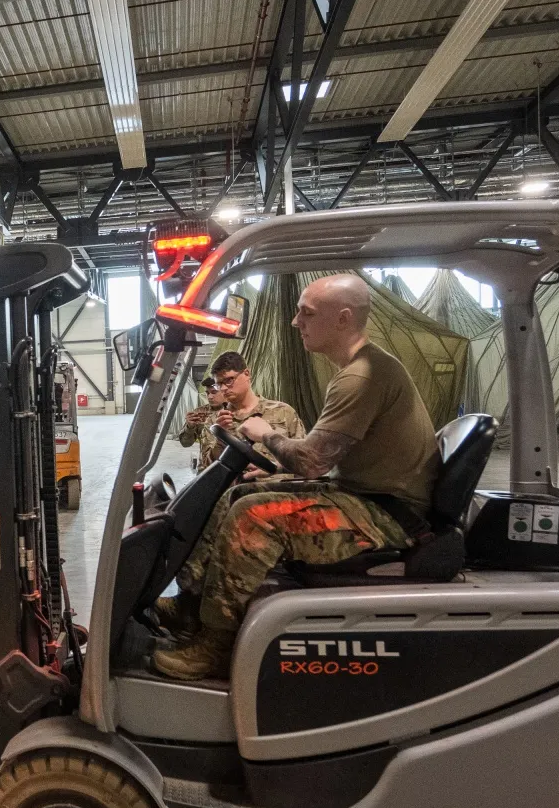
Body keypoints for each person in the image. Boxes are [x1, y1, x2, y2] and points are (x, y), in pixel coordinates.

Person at [154, 275, 440, 681]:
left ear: (343, 319)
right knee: (240, 492)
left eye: (306, 313)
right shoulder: (357, 369)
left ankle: (216, 645)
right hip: (363, 492)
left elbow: (310, 462)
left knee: (255, 515)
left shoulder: (363, 376)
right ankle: (192, 604)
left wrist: (263, 433)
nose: (295, 322)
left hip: (387, 512)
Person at [159, 351, 306, 630]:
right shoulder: (218, 419)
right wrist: (221, 436)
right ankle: (190, 599)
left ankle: (205, 618)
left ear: (246, 375)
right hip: (229, 494)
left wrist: (274, 469)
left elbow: (303, 461)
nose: (224, 389)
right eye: (219, 384)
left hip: (267, 499)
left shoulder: (281, 413)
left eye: (229, 381)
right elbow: (213, 464)